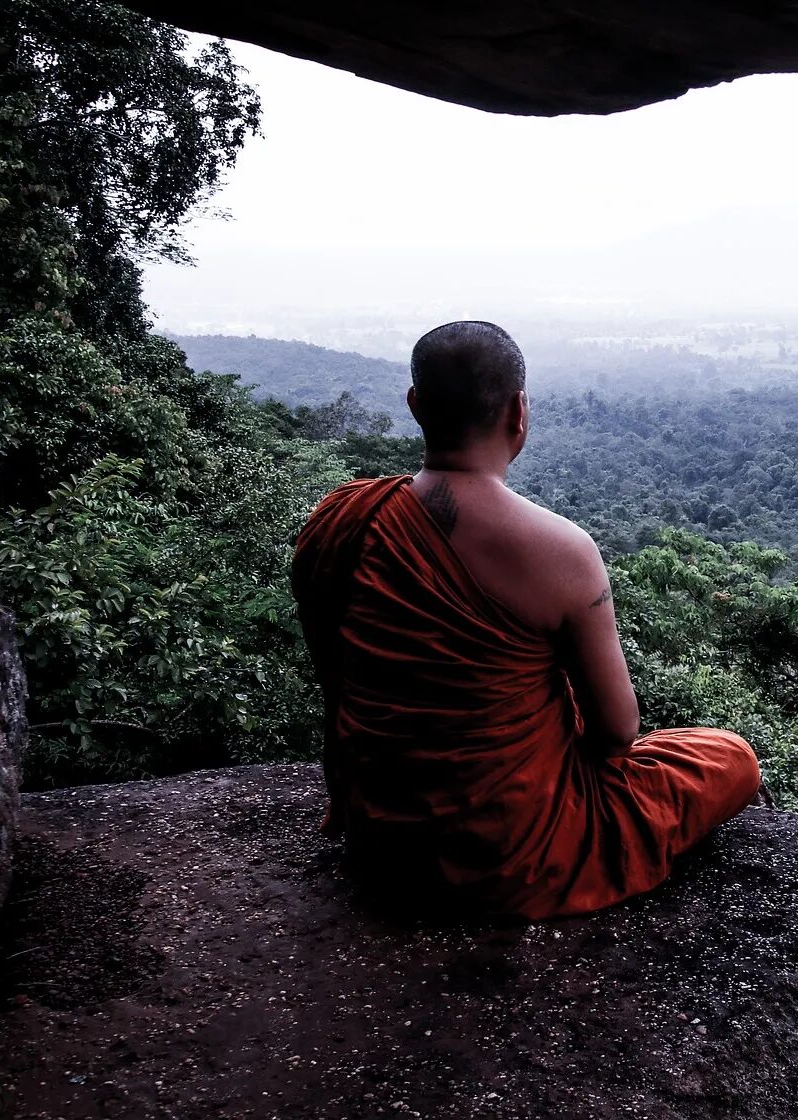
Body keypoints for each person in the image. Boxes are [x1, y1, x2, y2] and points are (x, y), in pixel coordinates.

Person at [291, 320, 761, 919]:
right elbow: (617, 733)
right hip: (508, 854)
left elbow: (337, 678)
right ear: (519, 412)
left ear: (414, 406)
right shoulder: (561, 551)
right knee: (729, 757)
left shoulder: (344, 517)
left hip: (379, 834)